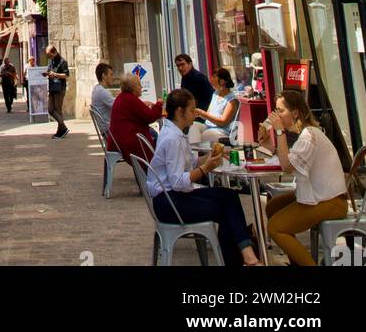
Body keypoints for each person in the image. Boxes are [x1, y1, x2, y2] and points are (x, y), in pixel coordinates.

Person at [147, 88, 260, 267]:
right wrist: (205, 168)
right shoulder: (172, 138)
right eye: (192, 111)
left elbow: (190, 163)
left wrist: (210, 158)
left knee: (229, 196)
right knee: (224, 211)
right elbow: (178, 182)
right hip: (169, 202)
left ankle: (245, 255)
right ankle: (244, 257)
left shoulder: (177, 133)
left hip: (173, 195)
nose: (194, 115)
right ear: (179, 111)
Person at [262, 90, 348, 266]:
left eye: (281, 111)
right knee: (273, 207)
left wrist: (279, 133)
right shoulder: (306, 134)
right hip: (320, 196)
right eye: (276, 111)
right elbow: (290, 160)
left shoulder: (309, 135)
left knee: (275, 228)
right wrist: (269, 146)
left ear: (295, 113)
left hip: (330, 201)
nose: (277, 116)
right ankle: (296, 261)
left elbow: (286, 167)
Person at [107, 72, 163, 162]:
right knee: (159, 140)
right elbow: (150, 117)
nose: (141, 87)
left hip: (119, 139)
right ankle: (155, 167)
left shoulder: (123, 97)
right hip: (128, 141)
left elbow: (136, 110)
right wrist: (159, 104)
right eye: (139, 85)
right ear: (132, 87)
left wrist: (143, 104)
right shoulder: (130, 99)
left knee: (154, 135)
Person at [195, 67, 240, 144]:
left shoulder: (232, 101)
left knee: (205, 135)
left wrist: (203, 114)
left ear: (222, 81)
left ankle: (204, 153)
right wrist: (198, 114)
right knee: (193, 127)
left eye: (214, 77)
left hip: (222, 131)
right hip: (208, 126)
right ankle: (194, 154)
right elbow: (209, 115)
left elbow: (223, 122)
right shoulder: (215, 94)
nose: (211, 79)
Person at [45, 44, 70, 139]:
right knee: (50, 109)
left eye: (50, 55)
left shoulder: (62, 61)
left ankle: (61, 131)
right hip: (52, 87)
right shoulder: (51, 61)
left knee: (58, 110)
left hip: (59, 88)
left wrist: (55, 74)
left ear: (54, 52)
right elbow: (49, 70)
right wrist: (47, 74)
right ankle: (63, 127)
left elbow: (66, 75)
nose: (49, 57)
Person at [91, 61, 116, 135]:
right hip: (110, 132)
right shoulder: (102, 92)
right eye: (111, 75)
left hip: (106, 130)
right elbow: (118, 107)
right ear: (104, 76)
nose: (113, 77)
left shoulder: (97, 89)